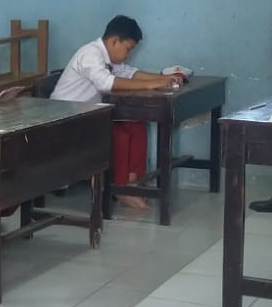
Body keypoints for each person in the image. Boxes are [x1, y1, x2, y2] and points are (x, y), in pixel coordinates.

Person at [50, 15, 180, 210]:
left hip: (89, 116)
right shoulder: (90, 54)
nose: (128, 55)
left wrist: (163, 79)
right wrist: (152, 84)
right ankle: (120, 188)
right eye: (128, 49)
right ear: (114, 41)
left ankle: (132, 184)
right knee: (118, 136)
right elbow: (106, 83)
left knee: (136, 127)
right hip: (64, 119)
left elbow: (129, 73)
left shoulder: (108, 57)